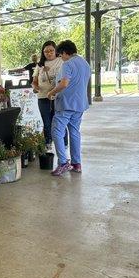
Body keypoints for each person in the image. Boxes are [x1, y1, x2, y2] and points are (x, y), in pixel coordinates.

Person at [47, 40, 91, 176]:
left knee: (57, 132)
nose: (61, 58)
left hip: (66, 104)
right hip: (80, 104)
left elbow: (64, 83)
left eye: (61, 55)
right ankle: (76, 163)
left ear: (65, 53)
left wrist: (52, 92)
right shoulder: (85, 63)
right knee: (74, 132)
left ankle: (63, 162)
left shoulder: (67, 64)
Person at [32, 41, 65, 151]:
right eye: (46, 51)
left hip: (58, 97)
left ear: (56, 51)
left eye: (51, 50)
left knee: (59, 121)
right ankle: (48, 143)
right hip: (43, 97)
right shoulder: (40, 65)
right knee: (46, 122)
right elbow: (34, 81)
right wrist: (35, 87)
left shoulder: (61, 61)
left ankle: (64, 144)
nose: (49, 53)